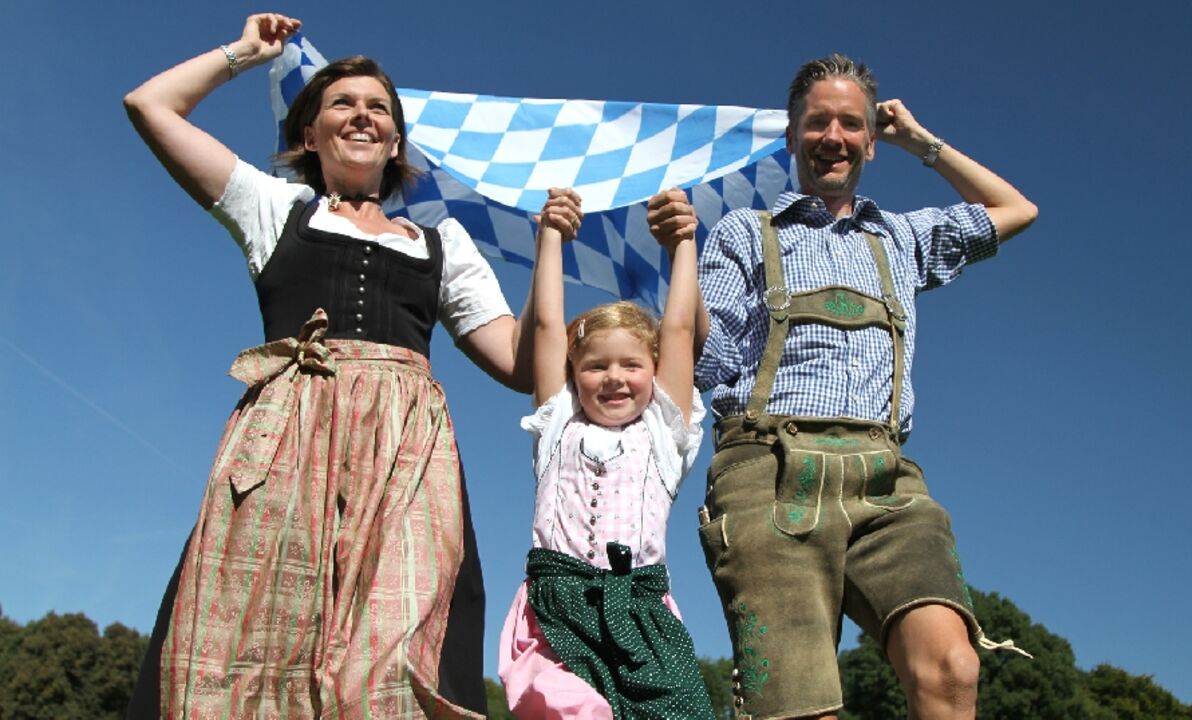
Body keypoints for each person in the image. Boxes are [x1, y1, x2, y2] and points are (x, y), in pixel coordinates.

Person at [122, 14, 578, 719]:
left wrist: (550, 247)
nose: (362, 115)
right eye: (342, 103)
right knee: (261, 635)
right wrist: (244, 54)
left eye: (379, 108)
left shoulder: (443, 244)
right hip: (289, 439)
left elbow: (519, 361)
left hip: (407, 451)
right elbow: (149, 105)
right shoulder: (274, 209)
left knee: (400, 647)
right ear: (309, 135)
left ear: (396, 139)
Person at [690, 54, 1039, 720]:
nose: (833, 137)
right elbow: (713, 363)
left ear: (871, 142)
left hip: (885, 475)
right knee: (802, 707)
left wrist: (921, 143)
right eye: (816, 122)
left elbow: (1014, 208)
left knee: (953, 666)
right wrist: (681, 269)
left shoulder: (902, 237)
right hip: (770, 470)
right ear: (791, 137)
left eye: (851, 124)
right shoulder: (746, 232)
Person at [496, 188, 715, 719]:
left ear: (654, 372)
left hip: (640, 610)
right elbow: (548, 326)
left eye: (631, 365)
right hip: (558, 606)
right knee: (574, 710)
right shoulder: (559, 424)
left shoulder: (665, 434)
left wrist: (682, 242)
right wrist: (551, 236)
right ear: (574, 375)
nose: (614, 377)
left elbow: (680, 328)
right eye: (596, 366)